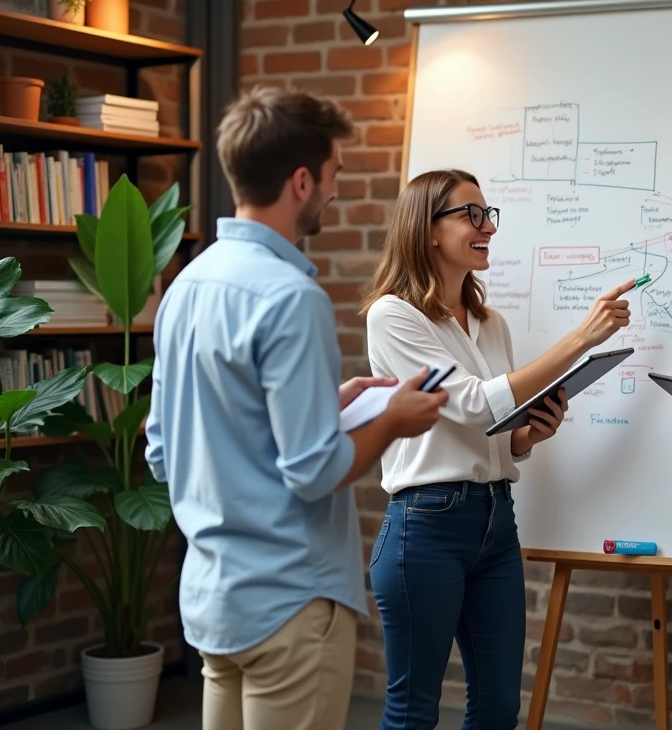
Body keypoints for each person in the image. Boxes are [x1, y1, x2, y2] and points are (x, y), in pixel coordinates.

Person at [145, 86, 450, 730]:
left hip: (214, 602)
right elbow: (313, 471)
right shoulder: (291, 297)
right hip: (291, 605)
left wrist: (322, 409)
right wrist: (393, 420)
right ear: (302, 181)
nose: (336, 191)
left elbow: (165, 453)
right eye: (334, 174)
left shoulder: (184, 288)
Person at [359, 168, 634, 730]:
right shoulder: (393, 316)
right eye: (472, 215)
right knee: (413, 712)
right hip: (426, 529)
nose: (488, 227)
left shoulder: (491, 323)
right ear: (428, 230)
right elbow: (473, 405)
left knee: (498, 707)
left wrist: (529, 434)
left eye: (489, 215)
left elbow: (495, 430)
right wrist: (581, 339)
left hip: (495, 521)